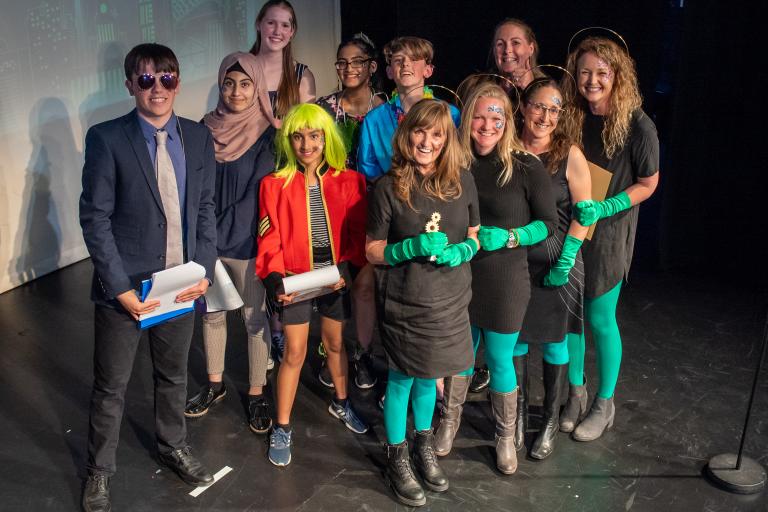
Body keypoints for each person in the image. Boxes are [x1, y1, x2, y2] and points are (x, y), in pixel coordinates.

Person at [79, 43, 216, 512]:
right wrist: (118, 288)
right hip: (126, 289)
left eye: (167, 78)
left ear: (177, 81)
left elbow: (205, 210)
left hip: (181, 284)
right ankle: (99, 471)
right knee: (111, 387)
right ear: (130, 85)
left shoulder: (198, 138)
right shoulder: (106, 138)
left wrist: (206, 273)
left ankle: (172, 444)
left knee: (172, 376)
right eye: (146, 79)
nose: (157, 88)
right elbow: (95, 219)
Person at [434, 82, 556, 474]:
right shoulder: (454, 163)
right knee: (459, 358)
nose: (487, 124)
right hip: (461, 275)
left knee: (501, 359)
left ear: (507, 121)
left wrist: (511, 236)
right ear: (468, 119)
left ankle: (506, 438)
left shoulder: (526, 166)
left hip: (505, 278)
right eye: (481, 116)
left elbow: (549, 225)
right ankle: (449, 424)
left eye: (497, 116)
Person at [366, 99, 479, 507]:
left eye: (436, 134)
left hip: (449, 299)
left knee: (433, 375)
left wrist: (464, 251)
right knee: (402, 379)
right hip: (405, 301)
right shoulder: (387, 186)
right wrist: (408, 247)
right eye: (419, 131)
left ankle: (423, 444)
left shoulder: (463, 180)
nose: (426, 141)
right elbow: (372, 250)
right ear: (406, 134)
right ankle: (397, 456)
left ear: (447, 139)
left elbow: (475, 232)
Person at [256, 103, 369, 467]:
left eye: (315, 136)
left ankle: (341, 402)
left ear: (326, 138)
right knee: (293, 353)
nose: (307, 144)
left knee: (336, 345)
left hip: (334, 279)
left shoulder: (350, 181)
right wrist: (275, 278)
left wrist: (348, 271)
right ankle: (282, 426)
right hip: (296, 282)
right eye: (299, 136)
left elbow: (357, 236)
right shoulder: (273, 185)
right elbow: (268, 236)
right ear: (289, 141)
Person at [562, 35, 659, 441]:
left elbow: (648, 183)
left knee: (600, 318)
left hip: (610, 232)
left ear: (617, 75)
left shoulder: (638, 123)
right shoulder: (571, 116)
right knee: (570, 321)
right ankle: (576, 393)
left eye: (601, 72)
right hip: (571, 228)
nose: (592, 80)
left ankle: (604, 402)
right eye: (585, 72)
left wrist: (607, 206)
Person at [183, 52, 279, 434]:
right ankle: (215, 384)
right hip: (208, 243)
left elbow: (256, 193)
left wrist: (215, 234)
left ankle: (257, 392)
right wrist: (204, 241)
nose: (236, 92)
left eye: (245, 84)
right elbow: (196, 188)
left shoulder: (268, 133)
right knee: (211, 315)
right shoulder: (203, 129)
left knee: (255, 319)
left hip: (246, 241)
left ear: (257, 87)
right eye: (228, 83)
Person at [516, 77, 591, 459]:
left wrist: (566, 258)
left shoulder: (570, 154)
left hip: (559, 261)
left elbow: (584, 214)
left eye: (554, 109)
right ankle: (513, 419)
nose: (546, 115)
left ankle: (547, 421)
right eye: (539, 106)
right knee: (514, 340)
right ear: (525, 107)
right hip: (516, 262)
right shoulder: (509, 148)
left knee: (555, 342)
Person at [315, 32, 384, 390]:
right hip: (331, 210)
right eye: (342, 62)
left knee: (364, 288)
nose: (348, 68)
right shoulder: (325, 107)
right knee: (333, 287)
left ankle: (363, 356)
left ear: (372, 66)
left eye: (357, 61)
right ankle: (333, 353)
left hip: (374, 210)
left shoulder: (386, 107)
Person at [249, 0, 317, 361]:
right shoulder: (242, 66)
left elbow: (310, 131)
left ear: (292, 32)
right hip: (250, 175)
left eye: (285, 25)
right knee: (259, 254)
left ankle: (283, 330)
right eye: (271, 22)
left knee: (285, 252)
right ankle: (263, 331)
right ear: (259, 24)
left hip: (285, 176)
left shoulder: (301, 74)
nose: (277, 30)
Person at [358, 36, 460, 182]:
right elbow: (368, 169)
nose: (405, 64)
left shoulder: (451, 114)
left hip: (439, 192)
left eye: (413, 59)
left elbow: (456, 158)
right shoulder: (374, 120)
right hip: (393, 196)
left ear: (428, 70)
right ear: (389, 71)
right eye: (398, 60)